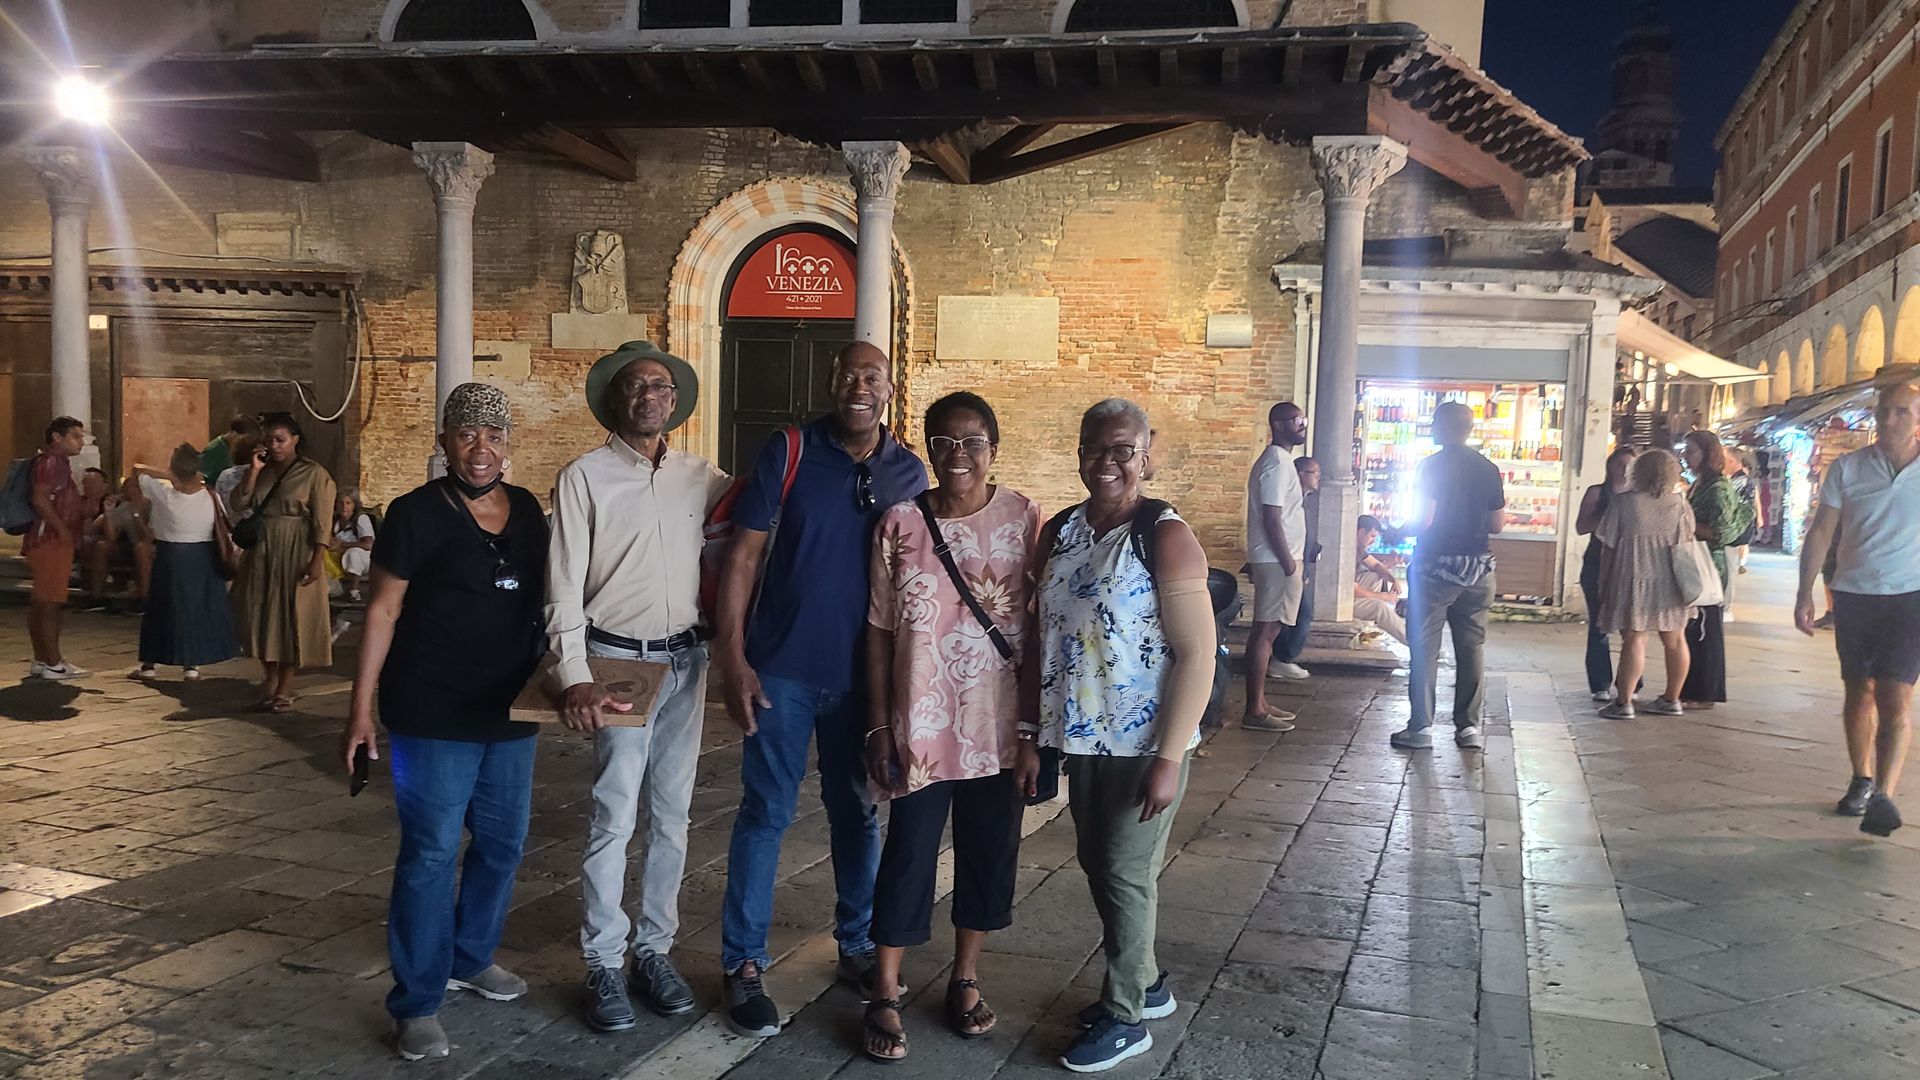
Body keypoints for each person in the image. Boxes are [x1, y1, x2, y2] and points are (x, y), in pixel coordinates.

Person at [714, 341, 927, 1038]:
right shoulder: (790, 449)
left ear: (891, 388)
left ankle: (857, 943)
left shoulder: (908, 472)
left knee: (857, 813)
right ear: (832, 382)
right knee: (765, 813)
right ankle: (743, 962)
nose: (857, 386)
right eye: (846, 374)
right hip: (778, 667)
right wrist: (734, 657)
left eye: (872, 375)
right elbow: (743, 555)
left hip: (861, 678)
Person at [341, 383, 548, 1061]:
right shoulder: (414, 514)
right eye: (466, 434)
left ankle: (469, 955)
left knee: (503, 844)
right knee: (430, 854)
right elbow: (382, 611)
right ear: (444, 441)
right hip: (432, 709)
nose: (480, 449)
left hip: (509, 711)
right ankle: (417, 1000)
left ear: (509, 443)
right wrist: (360, 708)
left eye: (493, 435)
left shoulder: (527, 512)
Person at [548, 341, 730, 1032]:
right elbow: (562, 585)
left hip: (686, 662)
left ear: (675, 402)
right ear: (615, 401)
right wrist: (574, 676)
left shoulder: (700, 476)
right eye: (634, 386)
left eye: (659, 385)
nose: (648, 395)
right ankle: (602, 960)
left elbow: (753, 528)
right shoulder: (584, 477)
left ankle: (653, 949)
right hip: (617, 663)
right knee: (614, 814)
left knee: (674, 816)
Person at [1030, 398, 1214, 1073]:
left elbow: (1198, 654)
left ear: (1147, 452)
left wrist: (1169, 757)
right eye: (1093, 448)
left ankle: (1125, 1014)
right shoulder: (1063, 531)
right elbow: (1043, 636)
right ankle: (1149, 982)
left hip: (1145, 743)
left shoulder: (1165, 535)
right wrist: (1036, 732)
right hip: (1084, 740)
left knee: (1126, 872)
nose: (1107, 462)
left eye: (1122, 449)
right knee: (1098, 863)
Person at [860, 392, 1039, 1063]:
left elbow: (1038, 631)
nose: (957, 455)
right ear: (927, 448)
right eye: (943, 441)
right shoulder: (899, 523)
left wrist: (1030, 731)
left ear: (994, 446)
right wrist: (879, 727)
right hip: (922, 724)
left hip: (996, 727)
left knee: (988, 853)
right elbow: (878, 633)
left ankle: (965, 978)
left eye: (971, 441)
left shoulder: (1024, 519)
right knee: (907, 852)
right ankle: (884, 986)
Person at [1796, 381, 1920, 837]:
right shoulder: (1847, 469)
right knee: (1858, 691)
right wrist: (1804, 590)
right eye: (1884, 411)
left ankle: (1884, 795)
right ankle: (1861, 777)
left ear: (1917, 420)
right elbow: (1822, 532)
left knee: (1895, 696)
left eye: (1900, 412)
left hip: (1911, 598)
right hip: (1854, 594)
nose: (1889, 420)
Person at [1393, 401, 1505, 751]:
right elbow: (1497, 525)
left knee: (1425, 646)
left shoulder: (1431, 466)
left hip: (1435, 567)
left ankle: (1421, 728)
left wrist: (1400, 531)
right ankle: (1468, 727)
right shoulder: (1488, 468)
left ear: (1439, 426)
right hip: (1478, 568)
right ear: (1469, 428)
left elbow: (1424, 520)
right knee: (1472, 647)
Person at [234, 411, 336, 712]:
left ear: (295, 440)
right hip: (264, 547)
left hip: (297, 547)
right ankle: (269, 675)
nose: (275, 446)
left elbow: (323, 520)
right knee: (261, 612)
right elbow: (239, 503)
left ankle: (286, 684)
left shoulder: (314, 473)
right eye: (269, 441)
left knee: (292, 615)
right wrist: (252, 470)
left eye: (281, 440)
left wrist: (317, 558)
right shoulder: (262, 470)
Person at [1593, 449, 1693, 719]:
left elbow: (1608, 546)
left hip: (1633, 575)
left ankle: (1623, 703)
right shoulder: (1680, 504)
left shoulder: (1625, 503)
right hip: (1672, 579)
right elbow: (1688, 539)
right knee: (1675, 639)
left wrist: (1603, 580)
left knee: (1635, 638)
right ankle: (1672, 699)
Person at [128, 444, 236, 681]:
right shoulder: (210, 496)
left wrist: (170, 476)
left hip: (169, 557)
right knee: (195, 610)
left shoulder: (163, 493)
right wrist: (184, 476)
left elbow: (136, 471)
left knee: (161, 609)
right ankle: (191, 665)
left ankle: (149, 665)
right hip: (202, 559)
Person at [1241, 402, 1309, 732]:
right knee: (1265, 631)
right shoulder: (1276, 463)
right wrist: (1288, 563)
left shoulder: (1281, 461)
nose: (1303, 426)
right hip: (1276, 560)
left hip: (1279, 559)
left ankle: (1261, 702)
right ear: (1279, 425)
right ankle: (1254, 709)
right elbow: (1272, 516)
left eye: (1304, 421)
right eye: (1298, 421)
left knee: (1270, 630)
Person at [1679, 431, 1748, 709]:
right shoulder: (1700, 483)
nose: (1686, 455)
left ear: (1708, 454)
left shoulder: (1717, 487)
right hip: (1697, 560)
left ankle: (1703, 693)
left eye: (1691, 450)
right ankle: (1690, 689)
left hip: (1709, 564)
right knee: (1693, 629)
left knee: (1705, 630)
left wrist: (1687, 526)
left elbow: (1720, 531)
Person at [24, 417, 89, 680]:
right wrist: (62, 529)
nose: (81, 441)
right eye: (75, 435)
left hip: (49, 540)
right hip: (50, 541)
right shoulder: (51, 463)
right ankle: (52, 662)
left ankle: (44, 658)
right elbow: (40, 498)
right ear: (56, 437)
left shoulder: (55, 463)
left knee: (42, 601)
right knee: (51, 602)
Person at [1578, 447, 1637, 701]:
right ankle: (1600, 683)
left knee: (1631, 627)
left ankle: (1631, 681)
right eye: (1619, 464)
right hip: (1597, 563)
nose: (1624, 470)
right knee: (1599, 624)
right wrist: (1609, 515)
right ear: (1610, 466)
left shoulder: (1639, 496)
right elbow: (1581, 526)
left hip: (1628, 564)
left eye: (1630, 465)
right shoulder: (1597, 493)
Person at [1272, 456, 1322, 673]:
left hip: (1298, 564)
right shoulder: (1290, 500)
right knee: (1297, 613)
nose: (1318, 477)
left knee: (1297, 611)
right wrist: (1292, 566)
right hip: (1287, 563)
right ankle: (1282, 658)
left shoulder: (1304, 501)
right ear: (1300, 474)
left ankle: (1282, 657)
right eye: (1314, 473)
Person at [1351, 515, 1408, 647]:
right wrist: (1383, 596)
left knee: (1377, 575)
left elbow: (1376, 565)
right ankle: (1418, 646)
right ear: (1360, 532)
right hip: (1335, 603)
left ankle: (1365, 623)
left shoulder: (1359, 550)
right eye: (1372, 536)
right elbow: (1351, 590)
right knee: (1380, 607)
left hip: (1349, 593)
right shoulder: (1346, 551)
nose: (1373, 541)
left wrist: (1393, 580)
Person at [102, 474, 154, 610]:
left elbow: (149, 537)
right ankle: (97, 597)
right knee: (101, 547)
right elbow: (111, 537)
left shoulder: (152, 506)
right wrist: (108, 514)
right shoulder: (123, 508)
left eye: (131, 487)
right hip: (131, 546)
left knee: (141, 548)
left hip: (154, 547)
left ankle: (144, 599)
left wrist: (137, 515)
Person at [1723, 450, 1758, 618]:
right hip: (1734, 532)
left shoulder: (1740, 481)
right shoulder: (1739, 480)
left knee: (1729, 569)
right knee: (1728, 567)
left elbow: (1728, 505)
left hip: (1733, 533)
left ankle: (1725, 608)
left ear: (1731, 461)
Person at [328, 490, 377, 603]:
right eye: (341, 503)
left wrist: (343, 544)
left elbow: (368, 545)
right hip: (340, 556)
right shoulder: (335, 520)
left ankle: (354, 591)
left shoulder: (361, 519)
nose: (344, 506)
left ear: (354, 504)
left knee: (353, 553)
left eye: (348, 503)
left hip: (364, 558)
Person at [200, 414, 261, 485]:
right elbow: (200, 478)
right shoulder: (213, 450)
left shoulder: (237, 449)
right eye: (244, 440)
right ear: (234, 434)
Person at [214, 434, 260, 525]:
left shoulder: (224, 475)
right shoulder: (260, 475)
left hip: (230, 527)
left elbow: (219, 504)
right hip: (254, 529)